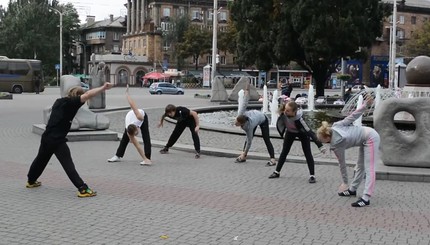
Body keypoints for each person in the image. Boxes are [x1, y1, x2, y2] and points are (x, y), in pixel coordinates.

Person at [26, 82, 113, 198]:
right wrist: (103, 88)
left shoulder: (59, 101)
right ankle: (82, 188)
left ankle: (31, 181)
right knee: (68, 165)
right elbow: (87, 95)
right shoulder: (72, 103)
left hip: (46, 137)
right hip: (57, 140)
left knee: (40, 160)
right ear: (78, 96)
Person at [316, 95, 380, 207]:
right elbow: (352, 117)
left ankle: (366, 198)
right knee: (360, 166)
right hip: (365, 137)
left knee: (369, 168)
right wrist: (365, 105)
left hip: (371, 137)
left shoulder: (336, 145)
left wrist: (345, 182)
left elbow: (342, 165)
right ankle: (352, 190)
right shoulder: (336, 126)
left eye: (323, 141)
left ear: (327, 138)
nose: (324, 144)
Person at [268, 101, 326, 183]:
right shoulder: (283, 114)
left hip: (302, 133)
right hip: (290, 132)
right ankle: (276, 172)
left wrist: (320, 146)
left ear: (294, 112)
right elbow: (280, 122)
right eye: (285, 109)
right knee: (284, 151)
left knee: (307, 153)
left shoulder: (300, 119)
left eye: (288, 111)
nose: (285, 112)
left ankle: (312, 176)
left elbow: (310, 132)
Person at [108, 84, 152, 165]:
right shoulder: (128, 130)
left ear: (137, 128)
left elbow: (131, 103)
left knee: (146, 137)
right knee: (125, 139)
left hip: (141, 115)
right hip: (130, 120)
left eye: (136, 133)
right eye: (134, 135)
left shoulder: (140, 116)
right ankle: (118, 155)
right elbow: (137, 146)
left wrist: (127, 93)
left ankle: (148, 157)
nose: (136, 135)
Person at [235, 84, 276, 166]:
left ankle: (273, 159)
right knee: (247, 139)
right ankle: (243, 157)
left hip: (263, 119)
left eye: (236, 123)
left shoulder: (249, 127)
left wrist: (246, 151)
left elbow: (249, 141)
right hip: (255, 116)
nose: (235, 123)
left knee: (266, 139)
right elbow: (245, 102)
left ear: (242, 124)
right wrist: (247, 91)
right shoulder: (240, 114)